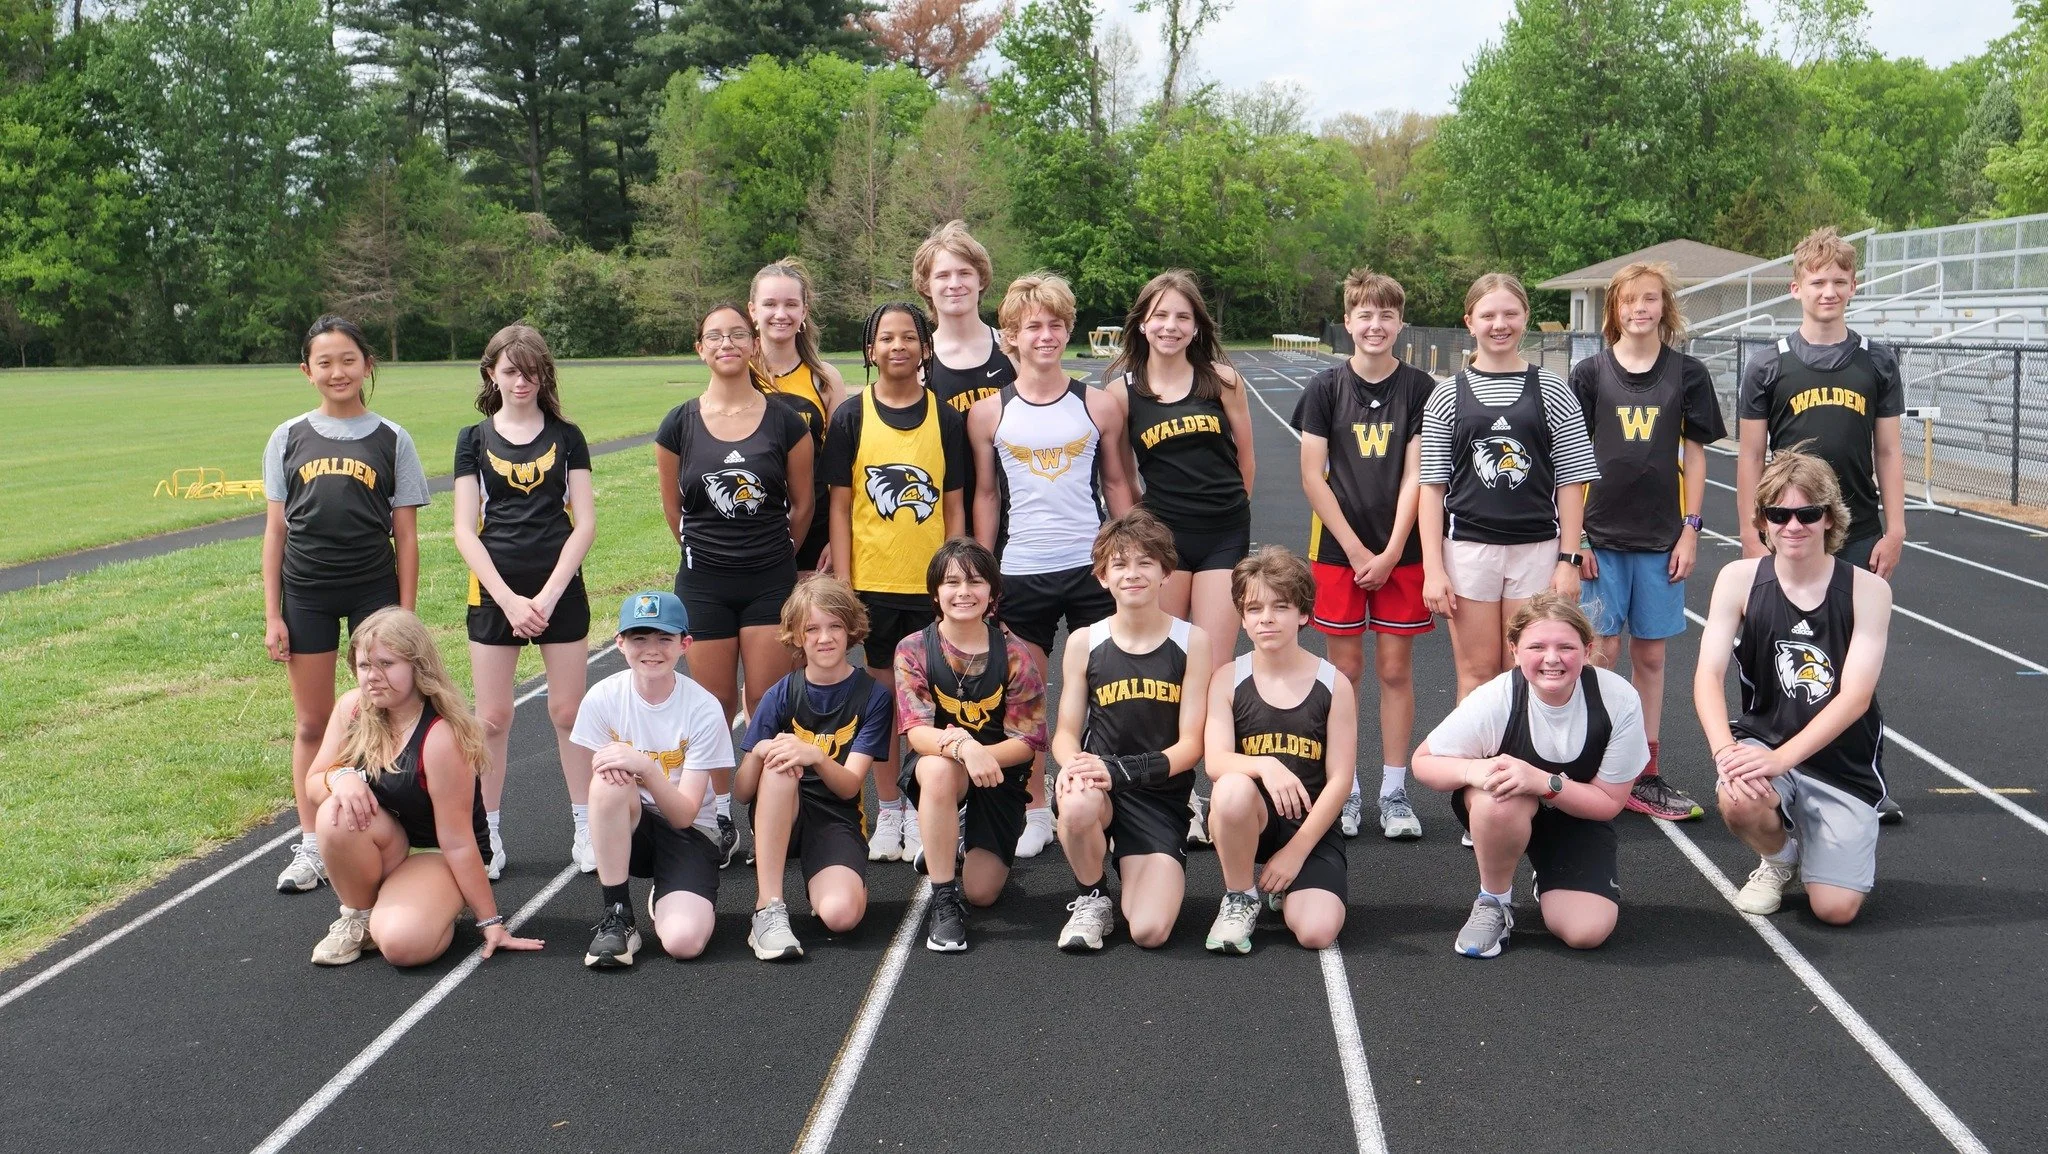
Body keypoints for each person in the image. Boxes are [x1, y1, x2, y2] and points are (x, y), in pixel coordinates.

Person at [1735, 226, 1907, 822]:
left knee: (1857, 661)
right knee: (1778, 652)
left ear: (1854, 286)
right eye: (1817, 281)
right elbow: (1750, 457)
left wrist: (1895, 528)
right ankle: (1777, 768)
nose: (1828, 291)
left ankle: (1863, 783)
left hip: (1856, 533)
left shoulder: (1876, 361)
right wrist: (1751, 530)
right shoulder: (1768, 364)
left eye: (1839, 281)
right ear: (1796, 288)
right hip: (1788, 531)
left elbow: (1889, 450)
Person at [969, 272, 1136, 858]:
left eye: (1056, 324)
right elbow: (986, 495)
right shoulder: (989, 413)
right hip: (1022, 569)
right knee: (1028, 696)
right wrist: (985, 571)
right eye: (1033, 326)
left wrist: (1131, 555)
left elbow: (1117, 484)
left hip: (1092, 568)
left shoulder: (1098, 404)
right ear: (1011, 336)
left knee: (1109, 687)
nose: (1046, 335)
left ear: (1069, 331)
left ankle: (1109, 797)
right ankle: (1035, 807)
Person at [264, 315, 430, 895]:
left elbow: (406, 535)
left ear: (368, 365)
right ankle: (313, 843)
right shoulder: (287, 436)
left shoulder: (392, 438)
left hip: (372, 591)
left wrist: (404, 615)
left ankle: (384, 832)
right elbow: (276, 532)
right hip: (306, 592)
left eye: (348, 360)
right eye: (325, 362)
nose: (337, 372)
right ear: (306, 370)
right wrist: (273, 613)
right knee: (313, 722)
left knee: (381, 713)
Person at [1695, 450, 1892, 925]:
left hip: (1841, 762)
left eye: (1808, 514)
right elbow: (1707, 675)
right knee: (1737, 794)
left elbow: (1856, 697)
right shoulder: (1738, 580)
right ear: (1763, 520)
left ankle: (1829, 841)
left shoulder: (1868, 590)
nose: (1793, 526)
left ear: (1830, 518)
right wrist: (1725, 752)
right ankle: (1780, 859)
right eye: (1779, 514)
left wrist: (1781, 760)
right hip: (1766, 740)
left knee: (1835, 911)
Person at [655, 303, 814, 868]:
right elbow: (675, 512)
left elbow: (802, 507)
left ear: (752, 344)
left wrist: (772, 557)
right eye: (714, 336)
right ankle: (718, 812)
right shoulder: (678, 424)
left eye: (737, 334)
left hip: (770, 581)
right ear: (700, 348)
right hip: (703, 585)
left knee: (766, 702)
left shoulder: (786, 422)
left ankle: (769, 805)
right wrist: (711, 555)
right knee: (713, 705)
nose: (727, 343)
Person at [1570, 262, 1728, 823]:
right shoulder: (1590, 373)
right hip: (1600, 535)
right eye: (1630, 300)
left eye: (1651, 298)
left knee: (1652, 656)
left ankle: (1645, 772)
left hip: (1661, 538)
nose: (1640, 308)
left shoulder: (1687, 373)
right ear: (1614, 308)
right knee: (1601, 651)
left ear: (1666, 306)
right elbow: (1569, 457)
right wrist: (1576, 538)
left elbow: (1696, 456)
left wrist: (1691, 529)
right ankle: (1593, 760)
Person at [1103, 271, 1253, 852]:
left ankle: (1217, 788)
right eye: (1160, 316)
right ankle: (1174, 795)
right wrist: (1138, 539)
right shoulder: (1123, 393)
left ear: (1196, 326)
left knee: (1212, 665)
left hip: (1222, 534)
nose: (1170, 326)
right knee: (1163, 664)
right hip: (1162, 539)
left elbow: (1245, 460)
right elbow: (1119, 475)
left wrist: (1232, 516)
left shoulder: (1223, 380)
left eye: (1182, 317)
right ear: (1143, 324)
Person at [303, 608, 543, 967]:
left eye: (387, 664)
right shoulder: (352, 709)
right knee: (333, 814)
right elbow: (313, 782)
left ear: (418, 666)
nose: (373, 676)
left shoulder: (441, 736)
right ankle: (360, 917)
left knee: (403, 945)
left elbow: (457, 841)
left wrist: (490, 922)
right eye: (365, 665)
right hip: (388, 842)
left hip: (438, 851)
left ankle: (435, 902)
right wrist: (340, 779)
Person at [1412, 594, 1648, 958]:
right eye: (1537, 646)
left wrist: (1543, 782)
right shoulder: (1497, 698)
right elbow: (1423, 761)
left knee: (1586, 932)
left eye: (1566, 647)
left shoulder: (1618, 699)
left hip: (1577, 816)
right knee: (1498, 797)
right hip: (1505, 811)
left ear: (1587, 650)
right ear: (1515, 650)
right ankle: (1494, 901)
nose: (1552, 658)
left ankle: (1549, 872)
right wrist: (1474, 770)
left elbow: (1608, 803)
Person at [824, 301, 970, 866]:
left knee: (940, 704)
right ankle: (889, 808)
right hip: (874, 585)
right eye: (886, 338)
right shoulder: (850, 416)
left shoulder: (946, 418)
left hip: (933, 589)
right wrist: (844, 583)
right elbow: (841, 507)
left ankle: (930, 806)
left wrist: (956, 576)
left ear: (925, 348)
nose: (898, 346)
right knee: (883, 704)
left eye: (909, 337)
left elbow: (953, 506)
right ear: (871, 349)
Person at [452, 324, 597, 879]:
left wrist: (549, 594)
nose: (521, 381)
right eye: (511, 371)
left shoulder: (567, 435)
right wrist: (510, 601)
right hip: (495, 594)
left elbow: (584, 523)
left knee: (569, 713)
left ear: (544, 375)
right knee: (491, 718)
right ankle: (486, 831)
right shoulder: (472, 439)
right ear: (492, 373)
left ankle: (586, 825)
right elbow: (464, 530)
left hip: (560, 589)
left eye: (531, 371)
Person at [1296, 268, 1436, 843]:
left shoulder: (1421, 388)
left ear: (1400, 323)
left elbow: (1417, 475)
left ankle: (1394, 790)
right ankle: (1346, 788)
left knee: (1396, 670)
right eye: (1365, 315)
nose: (1375, 325)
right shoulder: (1325, 388)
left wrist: (1393, 549)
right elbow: (1313, 476)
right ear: (1348, 322)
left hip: (1403, 550)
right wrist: (1357, 551)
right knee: (1345, 672)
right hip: (1338, 552)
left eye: (1386, 315)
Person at [1418, 273, 1601, 702]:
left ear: (1525, 317)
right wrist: (1433, 568)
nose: (1499, 324)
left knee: (1527, 675)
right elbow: (1432, 488)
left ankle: (1526, 750)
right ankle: (1478, 751)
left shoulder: (1553, 389)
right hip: (1469, 552)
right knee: (1477, 676)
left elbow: (1571, 481)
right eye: (1488, 315)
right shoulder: (1446, 395)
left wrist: (1569, 559)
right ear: (1469, 322)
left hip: (1536, 551)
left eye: (1510, 314)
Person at [1049, 510, 1212, 951]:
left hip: (1158, 796)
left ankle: (1135, 862)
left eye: (1145, 563)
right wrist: (1073, 765)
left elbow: (1191, 745)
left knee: (1149, 931)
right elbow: (1065, 732)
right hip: (1100, 790)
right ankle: (1093, 897)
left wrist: (1122, 771)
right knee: (1076, 802)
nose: (1132, 574)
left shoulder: (1192, 641)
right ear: (1103, 577)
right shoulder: (1084, 641)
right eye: (1119, 564)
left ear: (1165, 572)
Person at [894, 538, 1049, 952]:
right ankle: (943, 898)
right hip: (944, 764)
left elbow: (1027, 742)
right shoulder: (913, 648)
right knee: (938, 771)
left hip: (999, 773)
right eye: (951, 582)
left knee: (982, 893)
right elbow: (917, 733)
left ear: (993, 593)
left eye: (975, 581)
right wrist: (964, 749)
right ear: (935, 593)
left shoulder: (1015, 655)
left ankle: (955, 833)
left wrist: (980, 754)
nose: (963, 591)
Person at [1201, 547, 1354, 955]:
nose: (1266, 618)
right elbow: (1215, 762)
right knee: (1230, 787)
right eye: (1254, 609)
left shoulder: (1333, 684)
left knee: (1317, 932)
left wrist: (1296, 852)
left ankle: (1288, 885)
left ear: (1303, 613)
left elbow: (1341, 780)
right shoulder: (1227, 679)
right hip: (1254, 818)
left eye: (1280, 606)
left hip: (1310, 828)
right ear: (1242, 618)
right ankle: (1240, 896)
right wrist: (1266, 765)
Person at [573, 592, 739, 968]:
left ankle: (669, 891)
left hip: (689, 831)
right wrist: (629, 774)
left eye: (664, 638)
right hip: (633, 827)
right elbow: (597, 793)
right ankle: (618, 915)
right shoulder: (602, 698)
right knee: (607, 783)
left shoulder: (703, 708)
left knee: (684, 942)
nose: (652, 649)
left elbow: (683, 815)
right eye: (639, 638)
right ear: (619, 643)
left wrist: (645, 767)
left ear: (685, 644)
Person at [734, 576, 894, 960]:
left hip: (836, 816)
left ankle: (837, 881)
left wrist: (816, 755)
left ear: (851, 629)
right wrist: (759, 752)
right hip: (782, 810)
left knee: (842, 916)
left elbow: (849, 786)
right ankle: (768, 907)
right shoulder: (781, 693)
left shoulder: (872, 696)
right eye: (812, 629)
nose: (824, 638)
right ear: (796, 635)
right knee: (779, 766)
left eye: (834, 626)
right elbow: (741, 792)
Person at [752, 258, 846, 575]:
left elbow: (842, 469)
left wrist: (838, 538)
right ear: (752, 311)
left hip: (816, 533)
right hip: (753, 529)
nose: (781, 314)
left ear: (804, 311)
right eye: (770, 304)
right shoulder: (737, 376)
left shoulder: (825, 379)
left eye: (791, 304)